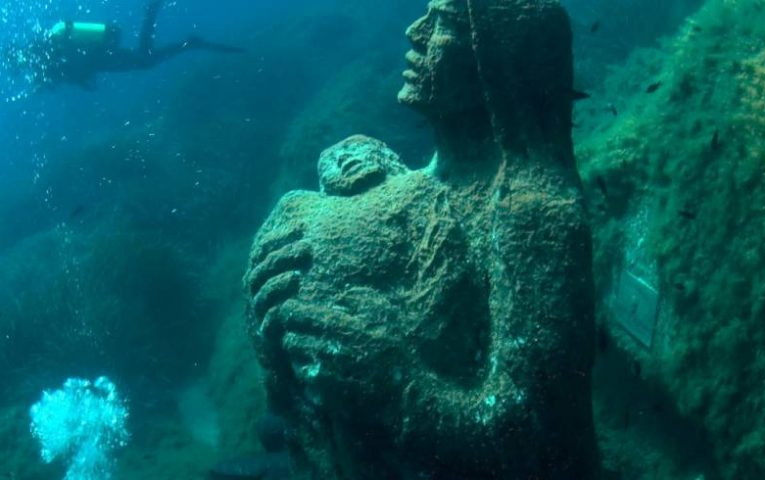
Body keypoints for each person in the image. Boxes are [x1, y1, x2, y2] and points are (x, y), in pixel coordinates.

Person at [245, 0, 599, 478]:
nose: (415, 32)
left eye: (443, 23)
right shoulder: (417, 186)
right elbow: (294, 403)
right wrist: (275, 318)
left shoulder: (533, 211)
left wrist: (395, 382)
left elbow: (531, 435)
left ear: (494, 56)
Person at [9, 0, 244, 91]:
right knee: (145, 59)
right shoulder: (41, 56)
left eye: (14, 66)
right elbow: (68, 73)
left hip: (101, 57)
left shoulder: (41, 58)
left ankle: (156, 14)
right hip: (101, 57)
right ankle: (183, 39)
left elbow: (70, 71)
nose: (18, 70)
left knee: (145, 60)